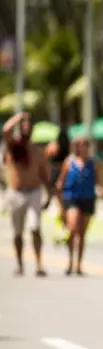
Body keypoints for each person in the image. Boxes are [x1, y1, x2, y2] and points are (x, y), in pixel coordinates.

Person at [2, 112, 50, 277]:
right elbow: (5, 130)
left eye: (28, 127)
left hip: (34, 193)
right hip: (16, 194)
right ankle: (20, 264)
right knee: (17, 233)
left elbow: (44, 173)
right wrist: (19, 117)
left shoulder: (36, 150)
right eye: (23, 127)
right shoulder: (13, 147)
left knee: (35, 227)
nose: (26, 129)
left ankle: (39, 264)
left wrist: (49, 194)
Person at [56, 135, 103, 275]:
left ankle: (79, 265)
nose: (83, 147)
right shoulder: (69, 162)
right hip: (71, 198)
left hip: (88, 198)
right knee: (72, 228)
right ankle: (70, 261)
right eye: (80, 144)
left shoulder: (93, 162)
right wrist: (59, 201)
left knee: (82, 234)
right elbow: (60, 182)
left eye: (85, 144)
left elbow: (99, 180)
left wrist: (102, 190)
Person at [44, 127, 71, 243]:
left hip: (55, 174)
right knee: (63, 204)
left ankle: (63, 227)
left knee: (59, 204)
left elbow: (45, 158)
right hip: (65, 175)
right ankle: (65, 226)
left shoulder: (53, 146)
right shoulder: (68, 148)